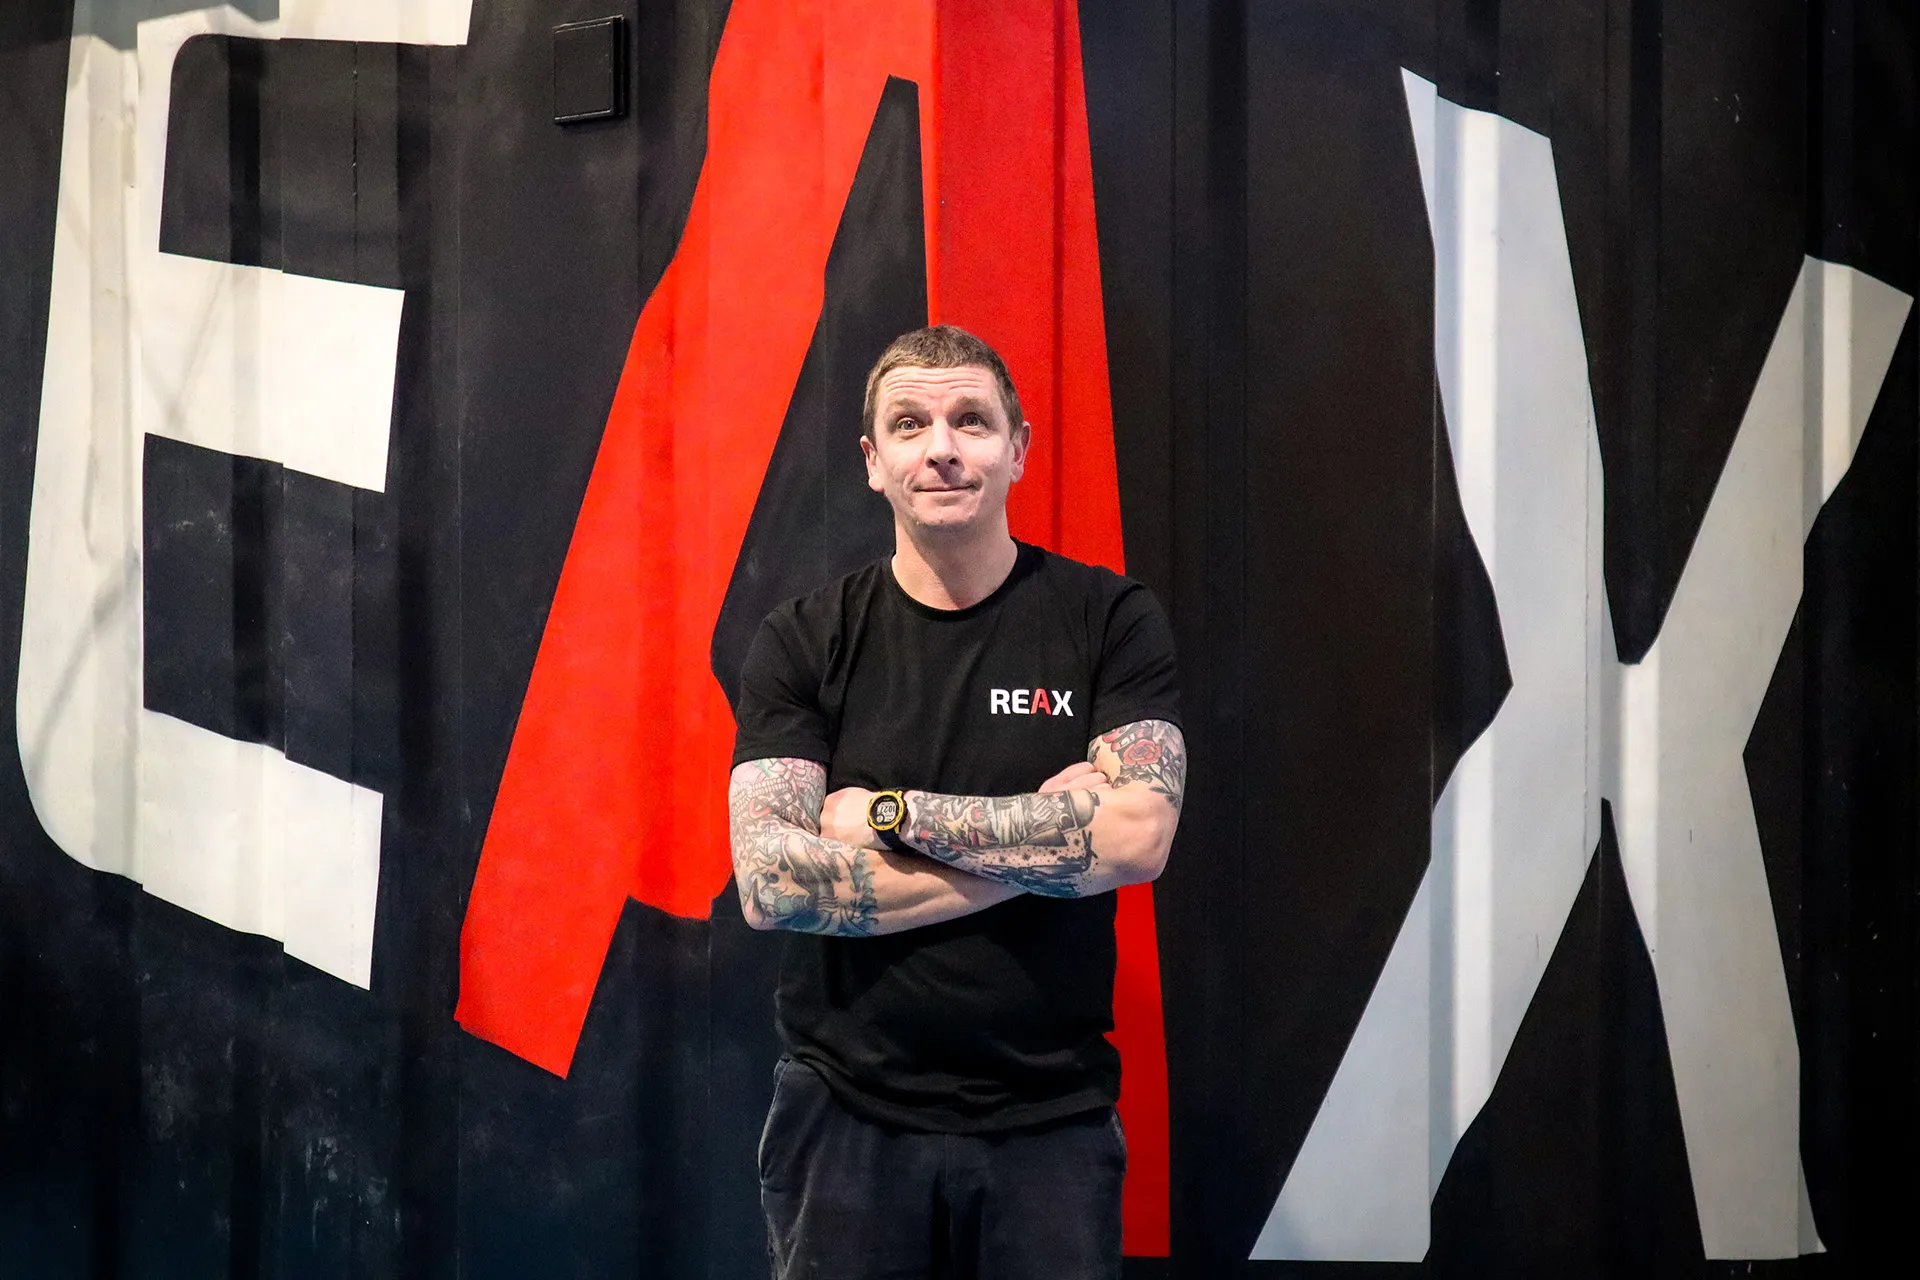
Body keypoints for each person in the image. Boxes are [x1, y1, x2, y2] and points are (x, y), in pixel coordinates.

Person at [727, 325, 1186, 1279]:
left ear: (1018, 449)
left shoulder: (1109, 619)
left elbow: (1139, 836)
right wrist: (1053, 853)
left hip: (1049, 1121)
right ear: (873, 462)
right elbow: (771, 883)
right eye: (910, 424)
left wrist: (887, 817)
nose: (941, 447)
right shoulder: (805, 639)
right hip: (845, 1116)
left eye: (971, 421)